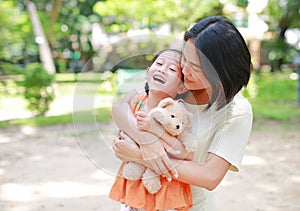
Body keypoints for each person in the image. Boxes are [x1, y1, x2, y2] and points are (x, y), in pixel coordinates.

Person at [112, 15, 253, 210]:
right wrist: (145, 142)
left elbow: (209, 176)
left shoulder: (236, 111)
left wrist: (140, 156)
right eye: (184, 59)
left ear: (221, 71)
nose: (184, 70)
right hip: (139, 201)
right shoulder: (176, 84)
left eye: (195, 67)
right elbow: (120, 107)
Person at [109, 49, 194, 211]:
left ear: (181, 87)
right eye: (159, 64)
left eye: (172, 69)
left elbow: (184, 151)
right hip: (134, 187)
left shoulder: (175, 111)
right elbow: (117, 112)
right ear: (148, 73)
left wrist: (150, 137)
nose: (162, 69)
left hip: (165, 192)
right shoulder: (137, 101)